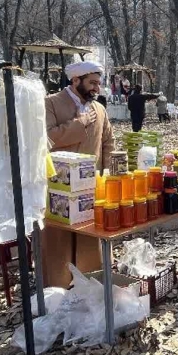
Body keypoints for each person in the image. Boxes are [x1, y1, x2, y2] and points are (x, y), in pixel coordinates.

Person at [44, 61, 114, 288]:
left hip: (91, 187)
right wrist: (79, 124)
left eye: (98, 84)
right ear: (75, 81)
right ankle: (57, 290)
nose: (97, 88)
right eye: (92, 83)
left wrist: (107, 174)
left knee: (90, 238)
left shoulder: (99, 109)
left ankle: (92, 288)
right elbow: (47, 139)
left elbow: (107, 143)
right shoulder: (51, 104)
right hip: (58, 187)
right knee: (58, 242)